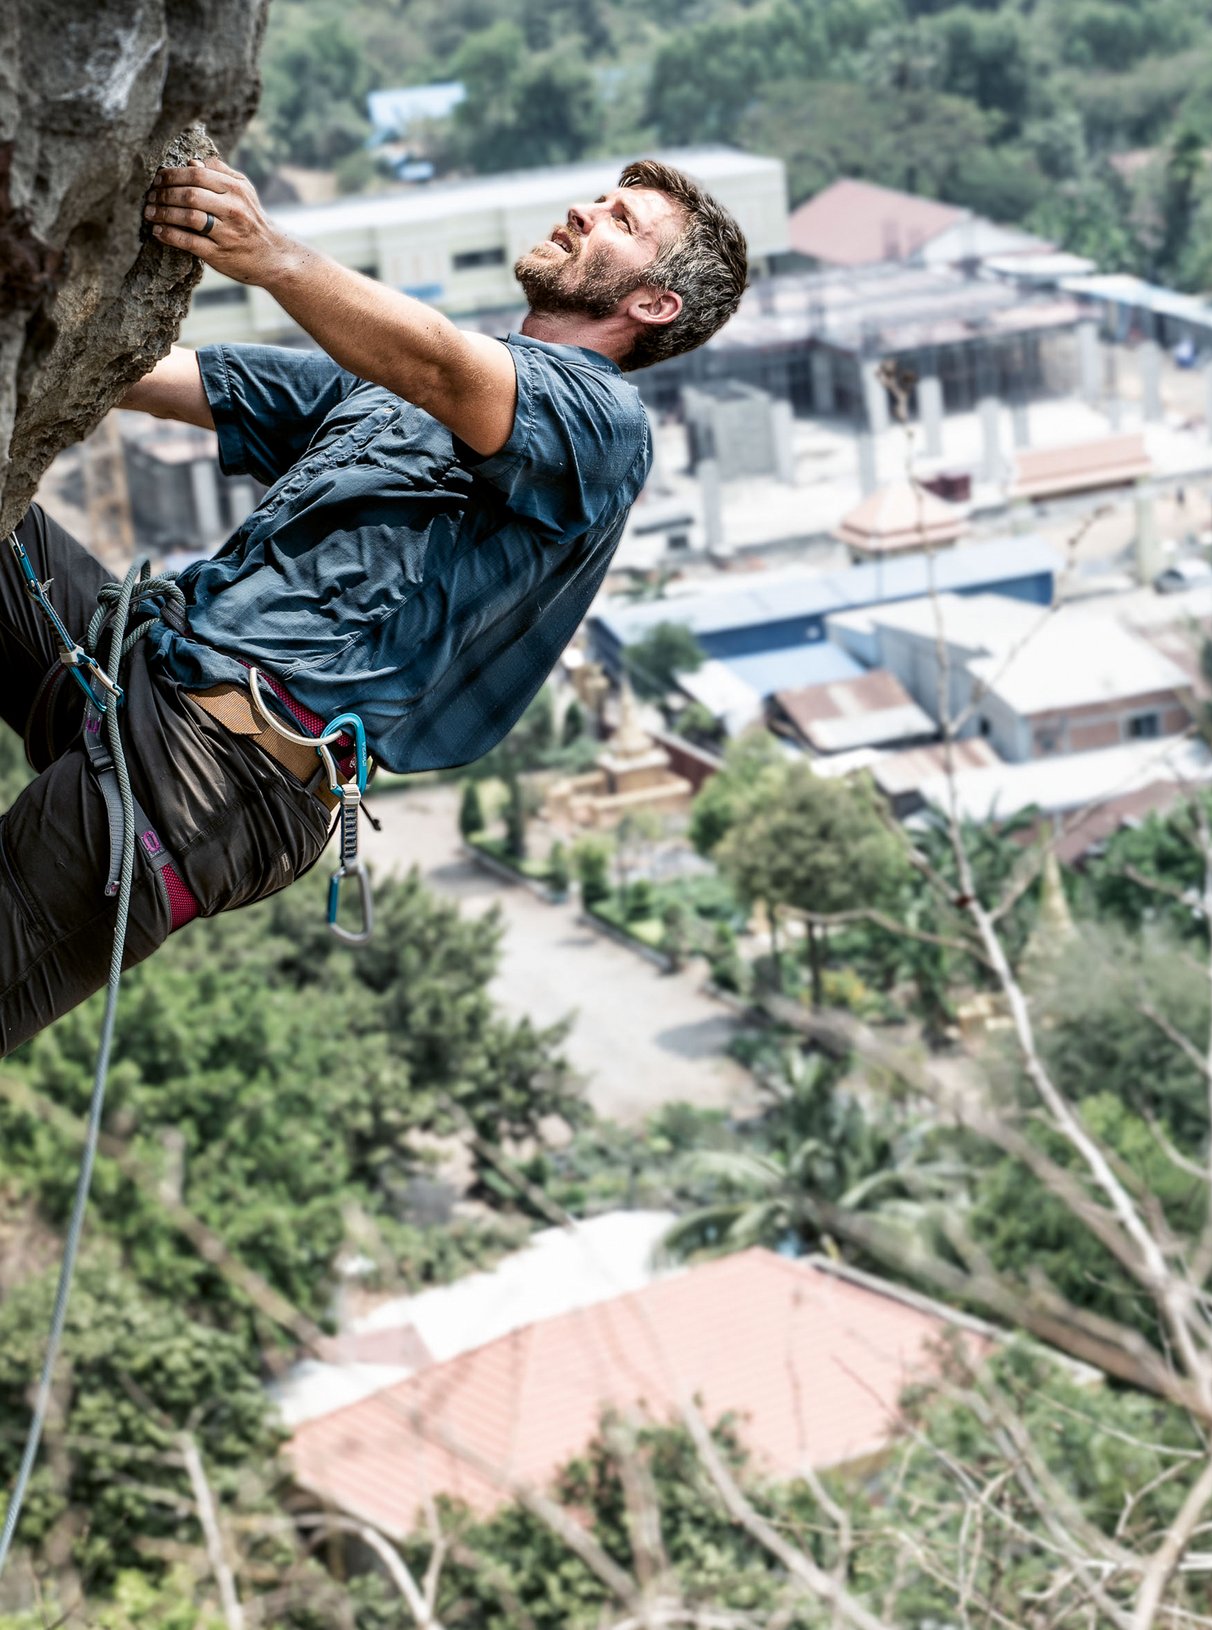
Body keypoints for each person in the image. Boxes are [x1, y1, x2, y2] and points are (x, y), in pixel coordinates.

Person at [0, 156, 748, 1053]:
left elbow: (441, 364)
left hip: (220, 779)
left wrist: (270, 254)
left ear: (652, 305)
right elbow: (156, 376)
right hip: (143, 668)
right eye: (598, 199)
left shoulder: (602, 429)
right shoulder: (382, 394)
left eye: (622, 221)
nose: (584, 212)